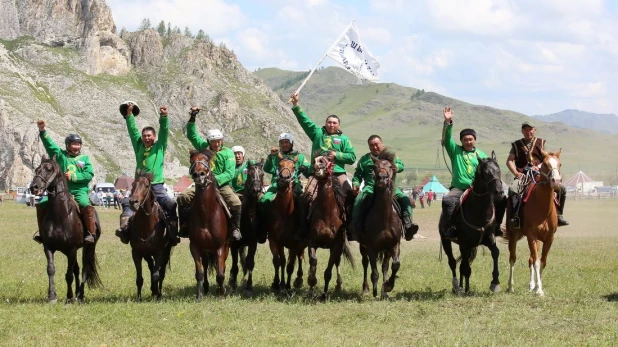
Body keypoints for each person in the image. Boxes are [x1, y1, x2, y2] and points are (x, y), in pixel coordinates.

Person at [290, 92, 357, 240]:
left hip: (338, 173)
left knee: (350, 195)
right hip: (317, 174)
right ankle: (303, 227)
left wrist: (337, 155)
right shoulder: (317, 133)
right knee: (305, 196)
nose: (331, 124)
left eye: (334, 122)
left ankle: (350, 228)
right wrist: (296, 105)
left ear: (338, 125)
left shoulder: (344, 139)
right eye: (329, 122)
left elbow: (352, 157)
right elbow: (305, 121)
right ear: (325, 123)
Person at [114, 103, 179, 245]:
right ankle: (125, 230)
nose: (146, 138)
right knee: (126, 202)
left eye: (149, 135)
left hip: (156, 185)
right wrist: (129, 115)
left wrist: (164, 116)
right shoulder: (139, 145)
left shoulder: (160, 146)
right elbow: (132, 131)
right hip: (139, 186)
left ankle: (173, 233)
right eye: (144, 136)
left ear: (154, 136)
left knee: (170, 204)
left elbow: (164, 130)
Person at [176, 107, 242, 241]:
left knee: (236, 202)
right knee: (182, 197)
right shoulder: (203, 147)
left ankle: (235, 228)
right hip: (200, 184)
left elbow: (229, 173)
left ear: (222, 140)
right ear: (209, 141)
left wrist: (213, 180)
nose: (216, 144)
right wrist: (193, 117)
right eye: (213, 141)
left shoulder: (228, 152)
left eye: (218, 140)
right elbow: (191, 135)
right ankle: (184, 225)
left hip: (222, 185)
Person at [440, 107, 505, 241]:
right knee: (447, 200)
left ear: (474, 140)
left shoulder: (481, 155)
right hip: (459, 188)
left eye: (470, 139)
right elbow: (447, 139)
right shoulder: (455, 150)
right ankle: (452, 228)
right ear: (462, 141)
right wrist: (447, 122)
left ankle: (496, 226)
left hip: (478, 190)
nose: (468, 141)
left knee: (501, 199)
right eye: (465, 139)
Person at [33, 120, 97, 244]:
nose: (76, 146)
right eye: (74, 144)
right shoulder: (60, 155)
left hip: (79, 191)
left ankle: (91, 233)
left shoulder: (84, 158)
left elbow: (89, 174)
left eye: (78, 144)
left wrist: (73, 176)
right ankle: (42, 233)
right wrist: (42, 130)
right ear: (67, 145)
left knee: (84, 203)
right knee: (41, 203)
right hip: (60, 191)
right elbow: (50, 144)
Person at [352, 135, 419, 241]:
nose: (374, 147)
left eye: (376, 144)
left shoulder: (391, 157)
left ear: (381, 144)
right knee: (358, 200)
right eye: (371, 145)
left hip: (390, 189)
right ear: (369, 146)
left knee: (405, 200)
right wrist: (355, 183)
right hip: (370, 188)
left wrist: (395, 166)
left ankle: (408, 226)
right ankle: (356, 228)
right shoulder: (365, 159)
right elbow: (358, 174)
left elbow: (401, 166)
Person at [506, 121, 569, 228]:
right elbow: (509, 161)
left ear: (535, 130)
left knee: (562, 188)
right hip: (523, 175)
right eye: (525, 129)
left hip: (541, 175)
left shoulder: (542, 143)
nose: (528, 132)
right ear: (522, 131)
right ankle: (515, 217)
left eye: (530, 129)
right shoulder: (516, 145)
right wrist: (516, 173)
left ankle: (558, 215)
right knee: (512, 189)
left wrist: (539, 167)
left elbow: (549, 158)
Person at [258, 132, 310, 243]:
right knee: (263, 200)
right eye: (282, 142)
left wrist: (304, 168)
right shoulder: (275, 155)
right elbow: (267, 169)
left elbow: (307, 167)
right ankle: (263, 230)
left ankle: (303, 228)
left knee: (303, 201)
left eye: (286, 142)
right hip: (276, 185)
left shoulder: (299, 156)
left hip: (294, 184)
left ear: (291, 143)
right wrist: (271, 156)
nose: (284, 144)